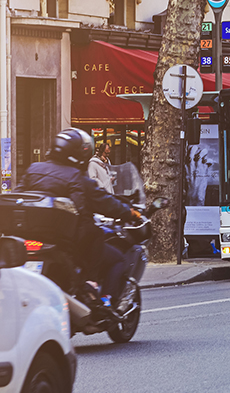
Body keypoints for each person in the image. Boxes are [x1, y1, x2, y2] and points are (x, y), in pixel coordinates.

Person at [20, 128, 140, 310]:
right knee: (115, 256)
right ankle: (101, 296)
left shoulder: (33, 169)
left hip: (32, 236)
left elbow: (19, 195)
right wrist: (129, 213)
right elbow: (103, 203)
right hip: (68, 241)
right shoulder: (77, 177)